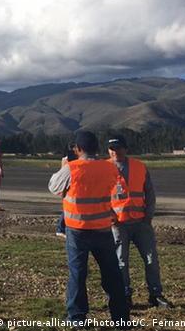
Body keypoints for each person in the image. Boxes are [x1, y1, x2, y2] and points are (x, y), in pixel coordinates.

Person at [48, 131, 129, 326]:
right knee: (112, 274)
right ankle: (121, 318)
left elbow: (53, 187)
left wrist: (64, 167)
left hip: (77, 230)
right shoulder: (109, 168)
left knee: (78, 274)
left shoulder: (72, 168)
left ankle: (77, 318)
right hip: (102, 229)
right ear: (97, 148)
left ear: (78, 149)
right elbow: (120, 194)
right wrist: (116, 217)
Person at [107, 134, 172, 309]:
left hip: (141, 223)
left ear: (125, 149)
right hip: (118, 224)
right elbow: (99, 196)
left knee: (151, 259)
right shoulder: (104, 168)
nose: (115, 152)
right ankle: (125, 295)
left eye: (118, 148)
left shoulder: (139, 166)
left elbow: (149, 193)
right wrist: (110, 217)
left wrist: (148, 215)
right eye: (112, 149)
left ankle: (155, 295)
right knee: (121, 261)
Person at [56, 142, 77, 238]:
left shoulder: (65, 158)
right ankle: (60, 228)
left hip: (68, 184)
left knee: (67, 207)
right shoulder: (67, 159)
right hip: (68, 184)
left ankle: (62, 227)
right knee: (67, 208)